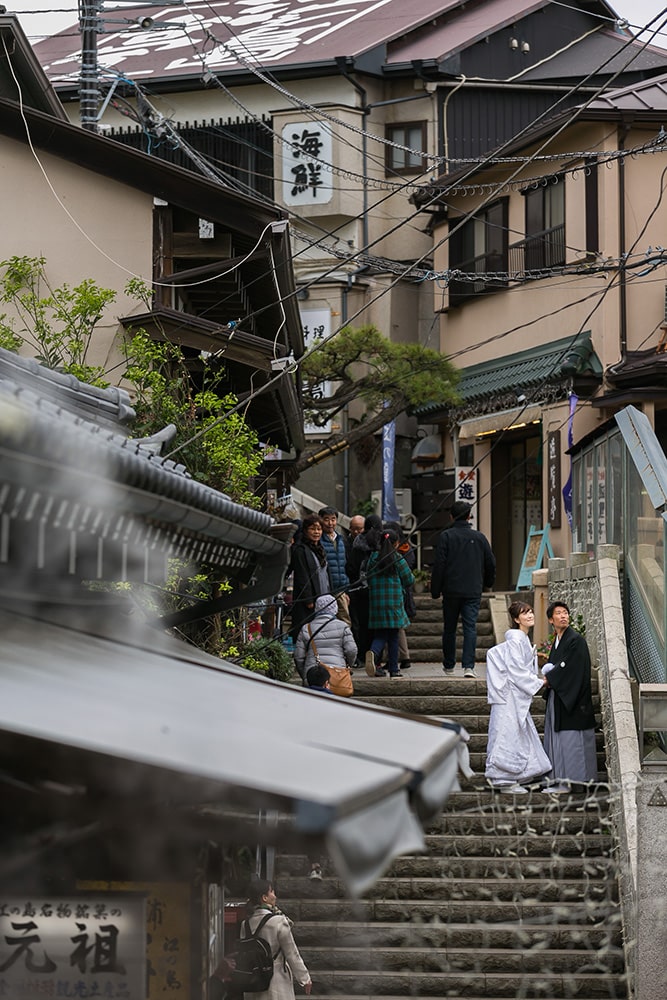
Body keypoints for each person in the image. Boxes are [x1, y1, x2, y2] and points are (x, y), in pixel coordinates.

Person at [485, 601, 551, 794]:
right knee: (508, 733)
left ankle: (517, 774)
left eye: (531, 611)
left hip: (513, 695)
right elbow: (516, 670)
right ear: (516, 619)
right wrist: (539, 682)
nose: (530, 615)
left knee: (515, 732)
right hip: (510, 696)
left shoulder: (520, 639)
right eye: (525, 613)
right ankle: (503, 778)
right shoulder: (516, 640)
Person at [430, 500, 496, 679]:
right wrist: (487, 582)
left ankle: (449, 664)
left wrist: (436, 590)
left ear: (451, 516)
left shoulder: (446, 536)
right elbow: (490, 563)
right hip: (473, 589)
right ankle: (469, 666)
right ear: (469, 516)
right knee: (470, 627)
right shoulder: (480, 537)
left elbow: (439, 566)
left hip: (451, 590)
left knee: (449, 628)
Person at [541, 600, 597, 790]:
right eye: (558, 613)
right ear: (551, 619)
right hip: (561, 696)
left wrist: (550, 678)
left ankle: (572, 783)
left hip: (573, 698)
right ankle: (561, 781)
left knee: (572, 743)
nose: (564, 616)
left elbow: (572, 669)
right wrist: (552, 677)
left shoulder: (576, 640)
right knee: (561, 742)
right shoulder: (557, 642)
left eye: (565, 612)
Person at [242, 877, 312, 999]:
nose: (275, 896)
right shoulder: (279, 922)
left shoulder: (245, 924)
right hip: (276, 981)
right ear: (264, 898)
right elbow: (292, 953)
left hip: (253, 981)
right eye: (272, 892)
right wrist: (305, 979)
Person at [365, 528, 414, 678]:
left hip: (377, 603)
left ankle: (373, 653)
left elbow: (367, 578)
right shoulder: (397, 558)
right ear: (396, 543)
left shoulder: (372, 558)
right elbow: (409, 579)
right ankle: (394, 669)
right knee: (393, 636)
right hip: (393, 604)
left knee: (380, 634)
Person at [294, 594, 357, 684]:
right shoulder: (343, 626)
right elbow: (352, 650)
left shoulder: (306, 628)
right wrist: (348, 666)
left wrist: (305, 675)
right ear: (335, 608)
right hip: (338, 674)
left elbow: (298, 657)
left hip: (313, 676)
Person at [347, 514, 382, 667]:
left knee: (361, 626)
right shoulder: (381, 542)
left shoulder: (357, 544)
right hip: (378, 591)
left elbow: (351, 568)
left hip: (359, 589)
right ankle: (376, 657)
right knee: (377, 626)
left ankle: (361, 656)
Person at [288, 514, 329, 645]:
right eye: (313, 529)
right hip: (308, 602)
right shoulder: (300, 550)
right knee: (306, 634)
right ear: (305, 530)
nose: (316, 532)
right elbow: (302, 576)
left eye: (319, 529)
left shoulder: (321, 549)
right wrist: (308, 599)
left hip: (323, 598)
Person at [318, 506, 351, 625]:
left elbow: (344, 566)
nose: (330, 523)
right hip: (324, 590)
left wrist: (346, 590)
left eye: (333, 519)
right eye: (326, 519)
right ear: (320, 520)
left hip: (340, 590)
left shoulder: (341, 540)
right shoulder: (318, 540)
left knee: (345, 622)